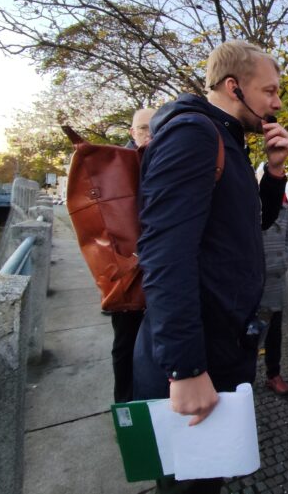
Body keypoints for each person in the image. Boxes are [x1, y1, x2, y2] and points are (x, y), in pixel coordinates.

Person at [134, 40, 288, 493]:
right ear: (233, 86)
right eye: (270, 91)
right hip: (196, 356)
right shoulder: (195, 134)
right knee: (189, 485)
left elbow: (248, 225)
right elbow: (165, 254)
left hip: (219, 346)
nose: (277, 103)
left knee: (205, 482)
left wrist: (274, 172)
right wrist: (185, 368)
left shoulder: (227, 139)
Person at [110, 107, 155, 403]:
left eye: (156, 128)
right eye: (143, 128)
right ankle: (126, 408)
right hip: (127, 269)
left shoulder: (166, 160)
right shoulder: (118, 165)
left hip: (159, 268)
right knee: (126, 342)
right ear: (132, 132)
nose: (150, 135)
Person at [261, 195, 288, 396]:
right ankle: (241, 377)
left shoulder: (283, 203)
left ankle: (273, 374)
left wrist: (285, 260)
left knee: (274, 331)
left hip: (277, 279)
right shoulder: (248, 197)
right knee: (249, 332)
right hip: (253, 279)